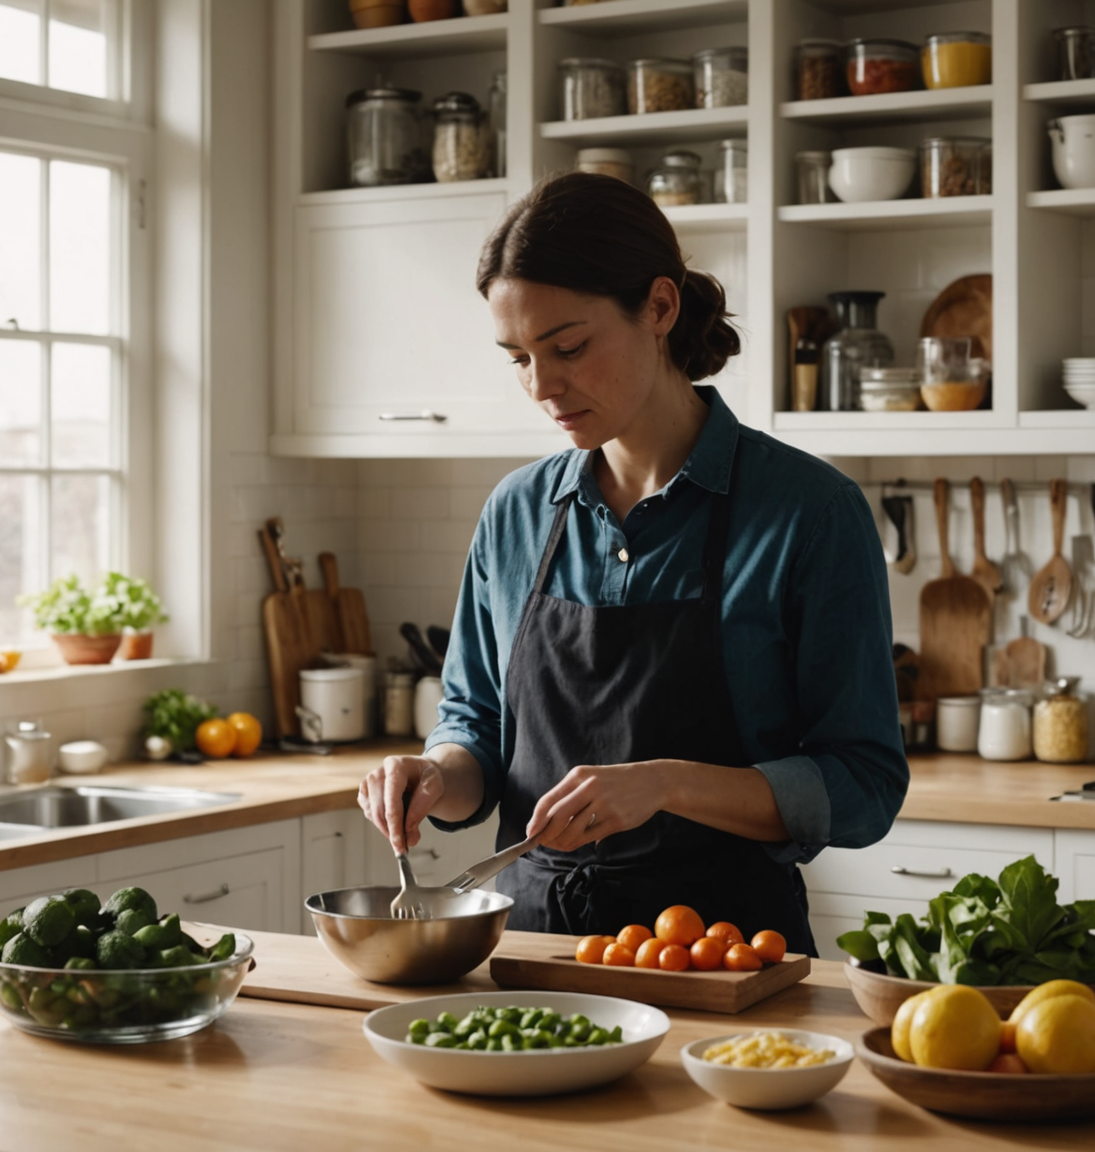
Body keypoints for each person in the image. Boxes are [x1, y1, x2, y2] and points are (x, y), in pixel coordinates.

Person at [357, 173, 907, 955]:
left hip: (726, 964)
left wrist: (668, 783)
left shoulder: (809, 513)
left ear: (659, 307)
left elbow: (864, 786)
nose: (543, 387)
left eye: (569, 347)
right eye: (517, 357)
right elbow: (477, 730)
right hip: (532, 958)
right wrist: (435, 776)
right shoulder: (515, 514)